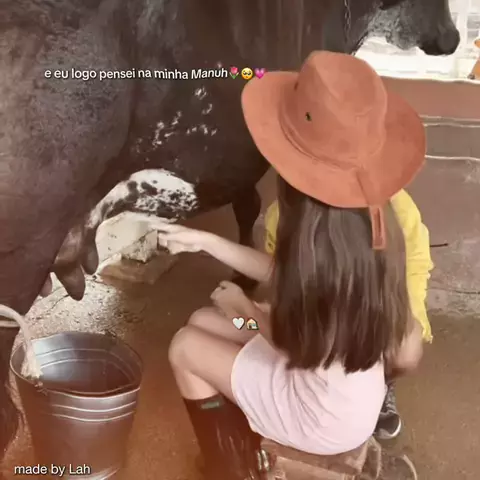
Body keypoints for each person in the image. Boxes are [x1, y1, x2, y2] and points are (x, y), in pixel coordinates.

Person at [159, 51, 428, 480]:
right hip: (340, 385)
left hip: (318, 413)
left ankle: (229, 467)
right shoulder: (365, 228)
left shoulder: (319, 247)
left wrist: (245, 310)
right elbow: (286, 276)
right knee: (203, 320)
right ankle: (239, 420)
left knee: (185, 346)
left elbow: (292, 344)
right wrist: (206, 242)